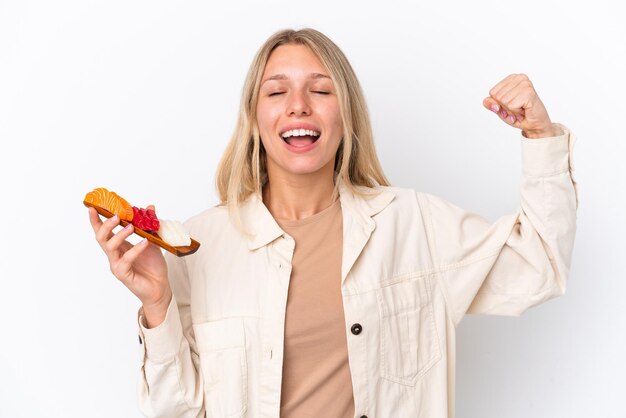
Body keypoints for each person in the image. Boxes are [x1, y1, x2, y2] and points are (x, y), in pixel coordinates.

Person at [88, 28, 578, 418]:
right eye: (276, 91)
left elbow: (538, 267)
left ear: (346, 114)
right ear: (255, 119)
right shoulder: (198, 246)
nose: (298, 104)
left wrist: (540, 135)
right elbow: (175, 410)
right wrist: (157, 303)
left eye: (320, 90)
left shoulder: (412, 225)